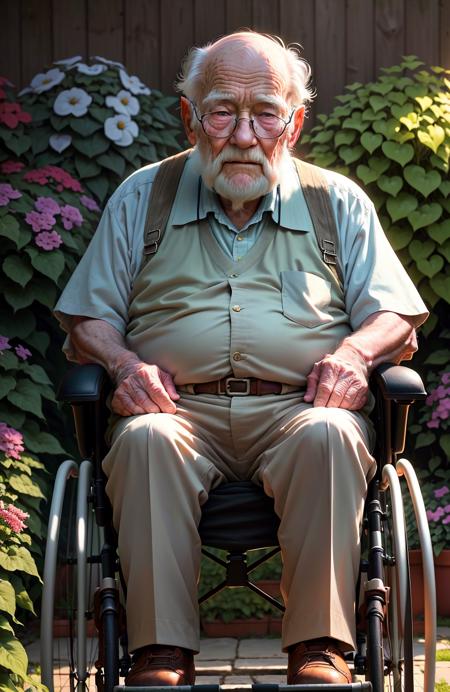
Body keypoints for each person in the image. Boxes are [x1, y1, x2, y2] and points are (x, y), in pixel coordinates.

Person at [55, 30, 428, 686]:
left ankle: (321, 648)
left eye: (266, 113)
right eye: (224, 110)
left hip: (298, 410)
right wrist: (123, 366)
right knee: (142, 441)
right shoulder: (144, 198)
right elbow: (88, 319)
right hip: (177, 410)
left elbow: (396, 315)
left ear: (295, 122)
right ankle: (160, 653)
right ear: (189, 117)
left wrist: (351, 353)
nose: (244, 134)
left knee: (331, 434)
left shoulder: (334, 203)